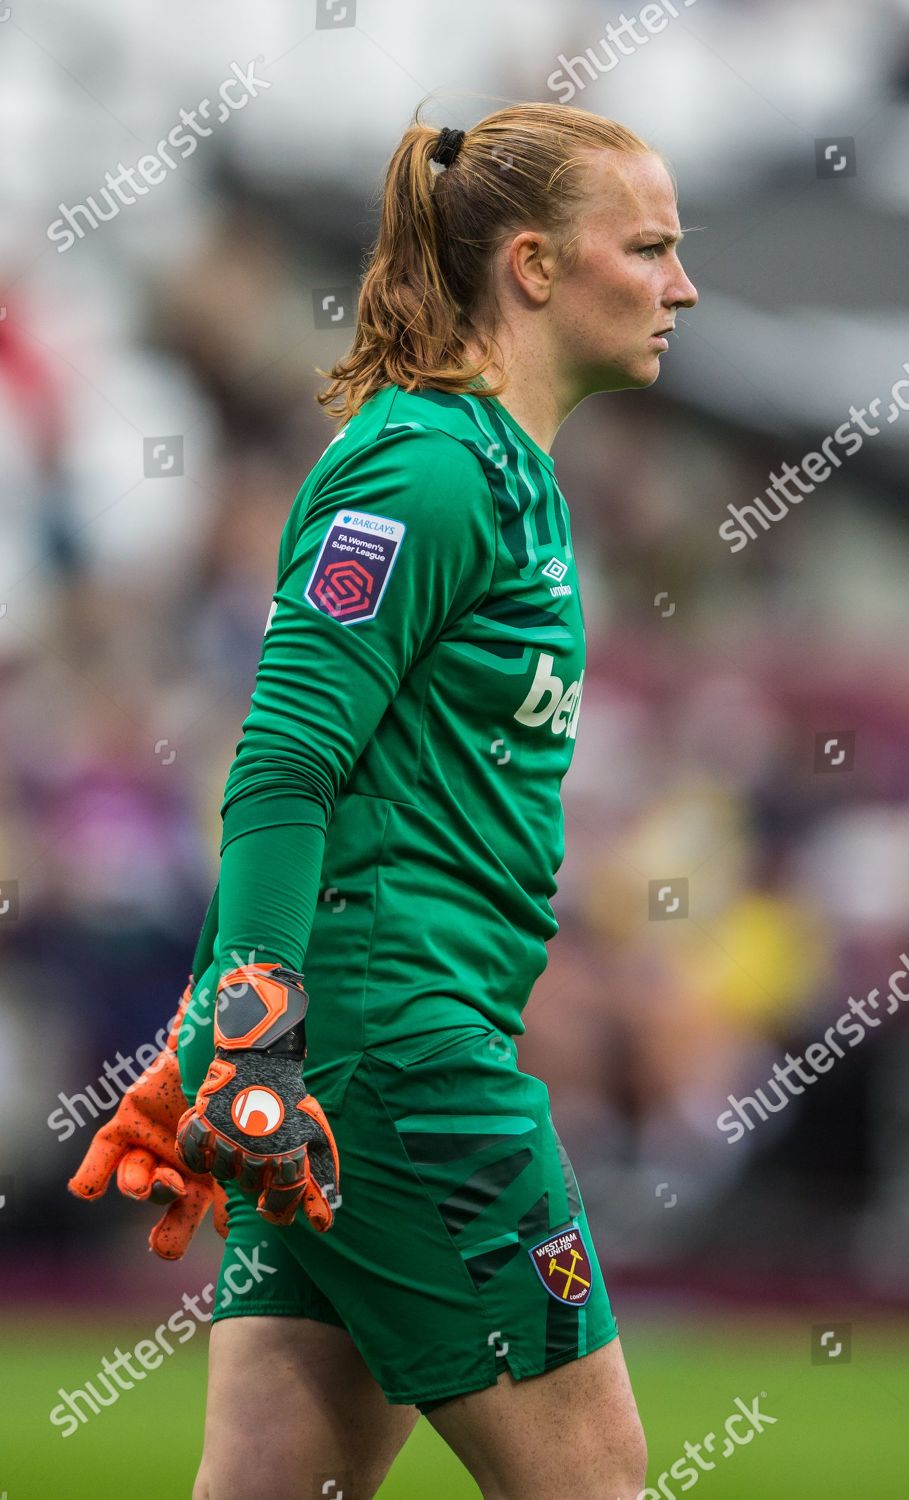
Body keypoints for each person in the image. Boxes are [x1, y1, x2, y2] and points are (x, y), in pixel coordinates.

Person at [70, 98, 698, 1500]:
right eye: (649, 247)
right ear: (534, 266)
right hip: (403, 1057)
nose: (683, 284)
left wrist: (210, 1040)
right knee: (591, 1477)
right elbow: (284, 760)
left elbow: (343, 801)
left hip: (351, 1050)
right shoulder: (422, 468)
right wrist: (252, 1031)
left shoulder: (505, 476)